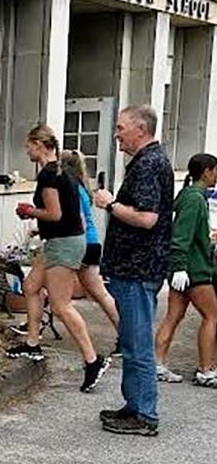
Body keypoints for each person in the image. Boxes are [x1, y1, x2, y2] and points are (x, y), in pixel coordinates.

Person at [6, 124, 109, 393]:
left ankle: (92, 360)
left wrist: (29, 211)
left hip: (63, 244)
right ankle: (32, 344)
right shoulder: (65, 171)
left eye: (29, 145)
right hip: (64, 241)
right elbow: (71, 215)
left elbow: (54, 214)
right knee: (31, 286)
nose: (27, 150)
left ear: (40, 144)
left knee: (61, 306)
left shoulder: (49, 175)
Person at [93, 105, 174, 437]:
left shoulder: (149, 164)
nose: (117, 134)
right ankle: (134, 405)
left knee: (138, 343)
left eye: (121, 127)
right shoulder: (148, 161)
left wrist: (110, 204)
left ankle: (144, 414)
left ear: (141, 129)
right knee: (130, 340)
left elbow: (147, 218)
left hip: (138, 268)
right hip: (134, 266)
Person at [154, 153, 217, 386]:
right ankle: (206, 370)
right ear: (206, 172)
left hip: (184, 269)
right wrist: (180, 265)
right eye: (215, 171)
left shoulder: (190, 196)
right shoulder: (194, 199)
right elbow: (181, 235)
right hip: (194, 270)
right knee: (212, 316)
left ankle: (158, 365)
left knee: (173, 316)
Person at [61, 150, 121, 349]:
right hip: (92, 243)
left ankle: (33, 329)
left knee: (48, 287)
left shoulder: (70, 188)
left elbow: (77, 220)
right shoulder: (82, 186)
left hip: (80, 242)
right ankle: (125, 336)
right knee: (100, 294)